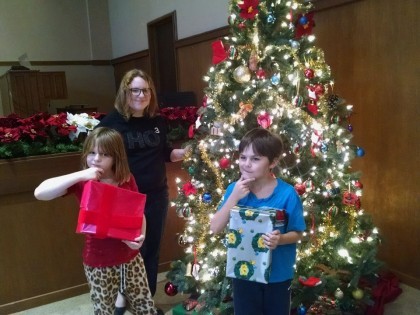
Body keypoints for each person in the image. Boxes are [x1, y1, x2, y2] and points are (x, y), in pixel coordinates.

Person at [34, 127, 157, 315]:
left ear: (116, 157)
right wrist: (82, 175)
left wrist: (141, 237)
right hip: (99, 261)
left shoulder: (126, 179)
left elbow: (138, 213)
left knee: (145, 306)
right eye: (92, 152)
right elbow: (40, 193)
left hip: (130, 258)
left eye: (104, 154)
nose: (97, 158)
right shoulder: (83, 182)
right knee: (103, 310)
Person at [96, 69, 189, 300]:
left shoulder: (157, 120)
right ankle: (123, 300)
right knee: (128, 252)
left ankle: (145, 302)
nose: (141, 95)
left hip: (157, 195)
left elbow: (165, 152)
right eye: (135, 90)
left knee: (151, 250)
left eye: (145, 90)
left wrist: (185, 152)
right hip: (125, 198)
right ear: (125, 92)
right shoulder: (111, 124)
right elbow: (99, 159)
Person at [210, 128, 306, 315]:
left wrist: (281, 239)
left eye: (255, 159)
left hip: (278, 276)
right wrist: (234, 197)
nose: (246, 164)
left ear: (274, 162)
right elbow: (215, 228)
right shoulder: (234, 189)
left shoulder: (287, 194)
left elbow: (298, 232)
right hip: (243, 274)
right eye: (243, 157)